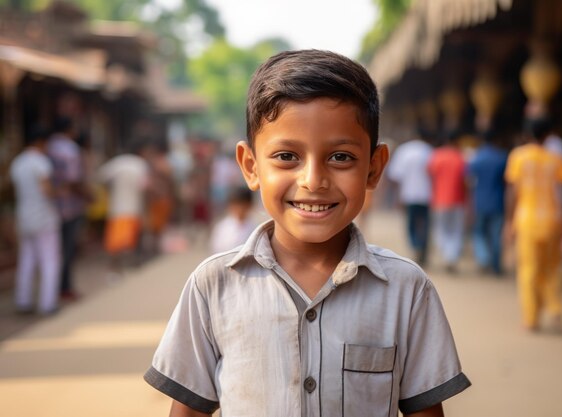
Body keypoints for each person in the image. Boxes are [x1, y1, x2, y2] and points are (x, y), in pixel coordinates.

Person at [145, 50, 470, 417]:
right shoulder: (213, 286)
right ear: (250, 167)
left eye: (341, 157)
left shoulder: (406, 290)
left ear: (374, 168)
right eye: (287, 156)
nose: (313, 180)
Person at [504, 117, 562, 332]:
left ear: (527, 134)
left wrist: (508, 221)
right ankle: (555, 308)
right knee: (552, 267)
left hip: (527, 220)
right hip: (553, 219)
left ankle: (531, 318)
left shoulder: (518, 157)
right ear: (548, 135)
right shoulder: (556, 158)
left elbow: (512, 193)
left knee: (529, 269)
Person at [10, 125, 61, 315]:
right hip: (43, 216)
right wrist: (58, 193)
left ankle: (23, 301)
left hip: (24, 216)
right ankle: (47, 304)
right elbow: (46, 190)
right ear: (41, 142)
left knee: (27, 260)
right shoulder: (41, 162)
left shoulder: (18, 162)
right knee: (49, 260)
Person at [47, 117, 90, 300]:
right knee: (67, 250)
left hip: (50, 206)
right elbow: (73, 180)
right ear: (70, 129)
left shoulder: (47, 147)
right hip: (69, 207)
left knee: (52, 251)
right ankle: (63, 288)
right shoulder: (71, 150)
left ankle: (52, 289)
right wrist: (88, 195)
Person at [98, 141, 151, 277]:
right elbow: (144, 189)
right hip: (134, 208)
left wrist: (111, 191)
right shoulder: (141, 165)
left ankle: (115, 268)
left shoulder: (117, 163)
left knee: (115, 242)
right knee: (131, 240)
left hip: (117, 208)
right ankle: (131, 266)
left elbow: (100, 177)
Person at [387, 128, 434, 265]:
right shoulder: (429, 151)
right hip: (427, 195)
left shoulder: (404, 151)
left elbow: (396, 176)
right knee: (425, 223)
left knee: (411, 223)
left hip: (408, 194)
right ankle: (423, 247)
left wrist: (397, 196)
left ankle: (415, 245)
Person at [466, 128, 508, 275]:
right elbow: (507, 181)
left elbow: (469, 179)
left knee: (479, 233)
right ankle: (496, 265)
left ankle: (484, 259)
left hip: (480, 201)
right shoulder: (502, 157)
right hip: (497, 201)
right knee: (496, 234)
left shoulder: (477, 158)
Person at [428, 130, 467, 272]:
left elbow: (430, 176)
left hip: (440, 199)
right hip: (458, 200)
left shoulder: (436, 156)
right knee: (456, 231)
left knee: (441, 229)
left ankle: (446, 255)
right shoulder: (461, 157)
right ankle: (452, 257)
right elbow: (466, 181)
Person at [208, 186, 257, 254]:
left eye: (242, 205)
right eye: (236, 205)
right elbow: (216, 250)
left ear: (249, 205)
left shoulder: (255, 229)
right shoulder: (222, 227)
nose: (239, 209)